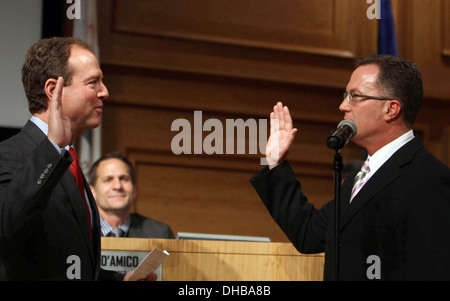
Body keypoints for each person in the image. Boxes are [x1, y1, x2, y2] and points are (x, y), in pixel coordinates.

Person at [250, 55, 450, 280]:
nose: (343, 105)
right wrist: (275, 163)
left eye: (354, 96)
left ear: (391, 109)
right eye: (346, 95)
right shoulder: (360, 177)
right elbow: (308, 234)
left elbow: (433, 269)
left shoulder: (430, 180)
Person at [0, 37, 155, 281]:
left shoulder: (68, 159)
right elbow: (6, 227)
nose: (105, 92)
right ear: (53, 91)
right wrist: (51, 147)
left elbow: (74, 267)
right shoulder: (8, 155)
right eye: (94, 82)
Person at [88, 152, 174, 239]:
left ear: (135, 190)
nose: (118, 186)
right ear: (92, 192)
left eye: (124, 179)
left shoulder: (160, 234)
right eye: (108, 180)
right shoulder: (77, 232)